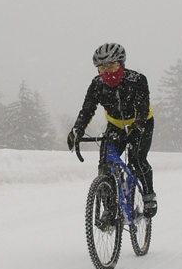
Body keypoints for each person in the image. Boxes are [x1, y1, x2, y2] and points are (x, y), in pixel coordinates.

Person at [67, 43, 157, 218]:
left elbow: (143, 108)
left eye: (112, 65)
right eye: (101, 68)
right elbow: (87, 110)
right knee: (105, 165)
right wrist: (77, 129)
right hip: (115, 125)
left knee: (137, 159)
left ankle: (148, 195)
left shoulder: (137, 80)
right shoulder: (97, 84)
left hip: (142, 123)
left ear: (121, 64)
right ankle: (109, 209)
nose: (107, 72)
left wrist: (137, 126)